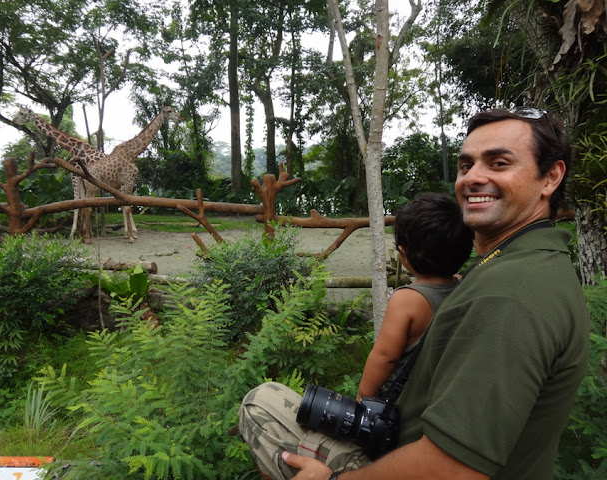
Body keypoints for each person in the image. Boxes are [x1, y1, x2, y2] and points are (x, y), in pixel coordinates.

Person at [237, 107, 589, 480]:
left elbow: (453, 469)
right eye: (466, 165)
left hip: (410, 461)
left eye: (499, 163)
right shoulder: (530, 266)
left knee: (262, 404)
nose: (474, 177)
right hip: (415, 439)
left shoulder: (510, 294)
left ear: (550, 176)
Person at [357, 192, 473, 401]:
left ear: (403, 253)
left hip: (401, 401)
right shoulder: (464, 284)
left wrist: (363, 397)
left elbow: (385, 357)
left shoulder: (407, 300)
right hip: (439, 393)